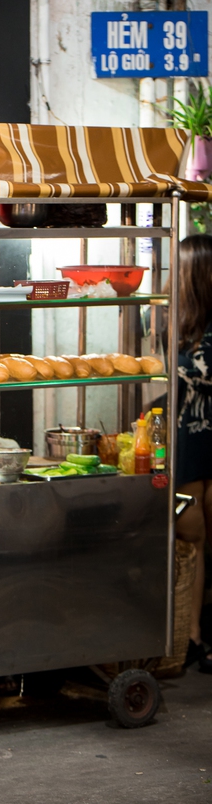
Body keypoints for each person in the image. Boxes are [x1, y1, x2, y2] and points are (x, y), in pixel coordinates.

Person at [173, 235, 212, 672]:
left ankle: (198, 635)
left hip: (202, 439)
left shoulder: (188, 332)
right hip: (187, 443)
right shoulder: (176, 322)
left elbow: (201, 373)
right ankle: (192, 636)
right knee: (192, 539)